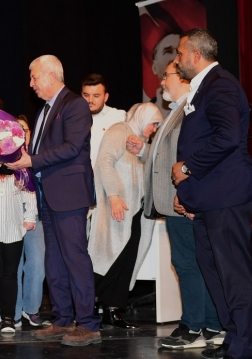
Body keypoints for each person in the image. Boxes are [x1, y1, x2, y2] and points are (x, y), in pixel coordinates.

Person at [171, 28, 252, 359]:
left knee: (233, 274)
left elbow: (227, 137)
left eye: (180, 53)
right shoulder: (204, 87)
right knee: (215, 273)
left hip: (228, 194)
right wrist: (187, 191)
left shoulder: (220, 84)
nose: (176, 60)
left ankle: (244, 348)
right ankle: (232, 339)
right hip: (209, 197)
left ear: (196, 55)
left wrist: (187, 168)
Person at [126, 62, 224, 349]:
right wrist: (144, 151)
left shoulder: (189, 110)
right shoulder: (177, 110)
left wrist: (188, 194)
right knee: (194, 263)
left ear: (181, 78)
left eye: (166, 76)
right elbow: (168, 156)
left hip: (182, 201)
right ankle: (209, 325)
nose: (161, 83)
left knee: (188, 263)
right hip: (177, 201)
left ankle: (194, 327)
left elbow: (193, 158)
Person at [6, 55, 100, 347]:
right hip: (47, 193)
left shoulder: (75, 105)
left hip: (69, 193)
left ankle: (88, 324)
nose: (31, 83)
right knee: (54, 259)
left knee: (75, 258)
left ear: (51, 75)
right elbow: (40, 150)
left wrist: (31, 160)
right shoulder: (45, 109)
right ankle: (62, 318)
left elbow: (72, 147)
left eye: (34, 77)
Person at [89, 102, 162, 331]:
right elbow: (104, 161)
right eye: (153, 123)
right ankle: (88, 309)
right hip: (117, 207)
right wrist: (114, 196)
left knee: (126, 260)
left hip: (135, 212)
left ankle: (112, 311)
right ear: (142, 118)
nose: (154, 129)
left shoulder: (143, 143)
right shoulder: (120, 130)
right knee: (106, 258)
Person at [0, 101, 38, 335]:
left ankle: (8, 317)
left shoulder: (20, 168)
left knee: (10, 274)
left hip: (14, 229)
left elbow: (30, 193)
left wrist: (30, 217)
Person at [13, 114, 47, 329]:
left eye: (24, 130)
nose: (20, 134)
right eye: (15, 130)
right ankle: (15, 311)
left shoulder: (39, 156)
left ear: (30, 133)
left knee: (37, 262)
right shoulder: (4, 158)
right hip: (11, 217)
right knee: (14, 266)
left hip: (37, 216)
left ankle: (31, 308)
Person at [80, 73, 126, 167]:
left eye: (96, 96)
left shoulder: (118, 117)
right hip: (79, 174)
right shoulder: (72, 117)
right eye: (86, 95)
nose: (90, 100)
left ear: (106, 97)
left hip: (105, 174)